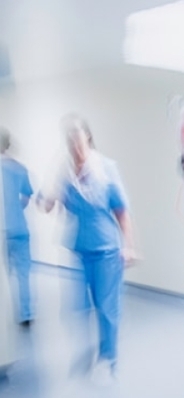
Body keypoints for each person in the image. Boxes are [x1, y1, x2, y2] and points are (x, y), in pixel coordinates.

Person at [37, 114, 136, 384]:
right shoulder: (64, 173)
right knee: (77, 307)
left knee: (106, 308)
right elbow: (46, 206)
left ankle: (108, 359)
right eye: (70, 143)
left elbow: (122, 211)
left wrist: (128, 246)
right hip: (79, 249)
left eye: (79, 141)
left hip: (106, 250)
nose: (76, 148)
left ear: (88, 139)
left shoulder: (105, 169)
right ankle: (96, 347)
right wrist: (51, 188)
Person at [1, 127, 34, 327]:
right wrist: (14, 208)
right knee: (23, 275)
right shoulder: (19, 169)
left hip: (2, 231)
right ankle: (26, 314)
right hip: (19, 228)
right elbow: (26, 197)